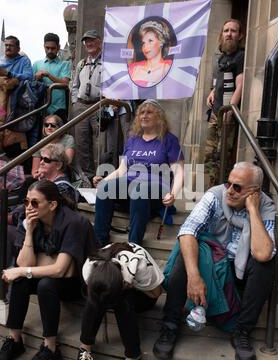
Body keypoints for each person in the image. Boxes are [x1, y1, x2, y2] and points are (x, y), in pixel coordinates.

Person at [153, 162, 276, 360]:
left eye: (237, 187)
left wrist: (253, 210)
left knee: (266, 265)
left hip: (237, 274)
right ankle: (170, 324)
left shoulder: (266, 206)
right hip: (210, 264)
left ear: (254, 192)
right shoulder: (215, 195)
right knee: (188, 249)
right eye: (228, 183)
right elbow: (187, 231)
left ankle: (242, 332)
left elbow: (263, 253)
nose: (230, 190)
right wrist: (194, 277)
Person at [0, 180, 99, 360]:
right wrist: (29, 231)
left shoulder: (74, 222)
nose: (29, 207)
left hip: (77, 283)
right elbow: (24, 262)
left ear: (52, 204)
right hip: (53, 273)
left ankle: (51, 349)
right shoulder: (27, 219)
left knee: (44, 283)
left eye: (35, 203)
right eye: (27, 201)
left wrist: (23, 270)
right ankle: (15, 340)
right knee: (22, 279)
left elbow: (61, 270)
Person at [75, 242, 164, 360]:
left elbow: (156, 293)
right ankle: (84, 351)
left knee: (123, 300)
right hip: (113, 279)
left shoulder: (141, 267)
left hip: (142, 293)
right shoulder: (90, 267)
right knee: (95, 296)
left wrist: (132, 284)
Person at [93, 99, 184, 246]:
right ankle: (99, 243)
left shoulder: (169, 140)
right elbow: (122, 169)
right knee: (105, 189)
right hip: (130, 184)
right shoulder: (133, 140)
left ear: (159, 116)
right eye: (141, 112)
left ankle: (133, 246)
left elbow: (178, 172)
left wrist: (173, 193)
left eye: (149, 112)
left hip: (156, 187)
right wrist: (104, 181)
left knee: (140, 190)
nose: (144, 115)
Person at [204, 19, 244, 187]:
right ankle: (210, 191)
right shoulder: (221, 58)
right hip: (215, 113)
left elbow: (241, 85)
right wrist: (212, 93)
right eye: (226, 30)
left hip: (227, 114)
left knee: (222, 157)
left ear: (240, 35)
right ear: (221, 35)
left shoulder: (241, 56)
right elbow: (219, 82)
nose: (229, 34)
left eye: (233, 31)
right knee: (209, 156)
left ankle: (221, 193)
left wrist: (230, 110)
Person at [71, 30, 102, 180]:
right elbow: (74, 85)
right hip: (81, 106)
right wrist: (75, 102)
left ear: (99, 42)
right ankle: (87, 179)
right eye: (86, 41)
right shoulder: (81, 63)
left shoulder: (107, 62)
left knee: (100, 144)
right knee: (82, 144)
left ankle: (101, 177)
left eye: (92, 40)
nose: (89, 43)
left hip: (99, 105)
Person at [32, 33, 71, 122]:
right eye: (47, 48)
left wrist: (48, 75)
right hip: (40, 107)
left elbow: (65, 83)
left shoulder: (64, 64)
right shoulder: (36, 64)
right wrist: (36, 78)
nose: (50, 51)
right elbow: (31, 84)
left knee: (58, 135)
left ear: (58, 47)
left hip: (58, 108)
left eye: (53, 48)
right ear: (44, 46)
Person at [128, 21, 172, 87]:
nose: (145, 46)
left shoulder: (169, 68)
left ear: (161, 42)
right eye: (143, 43)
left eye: (150, 41)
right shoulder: (133, 68)